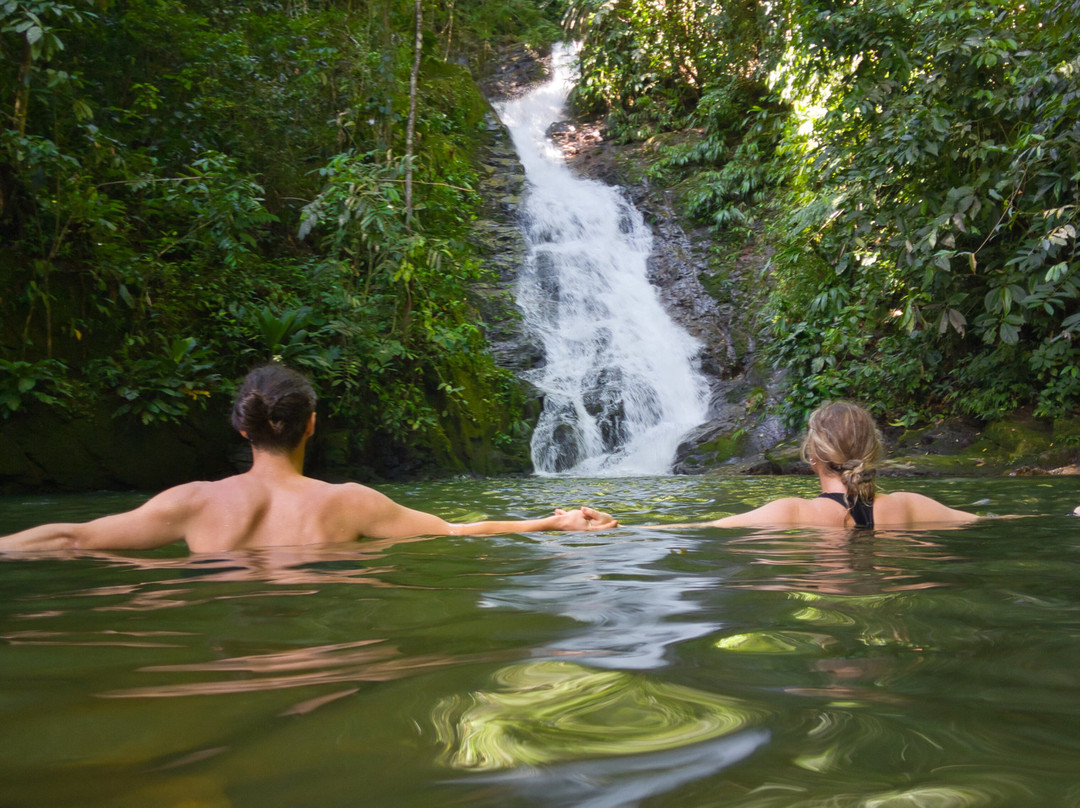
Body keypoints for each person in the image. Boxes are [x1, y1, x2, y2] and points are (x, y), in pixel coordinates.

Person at [0, 363, 617, 554]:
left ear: (242, 428)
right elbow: (457, 532)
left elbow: (72, 538)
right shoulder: (349, 503)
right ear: (312, 426)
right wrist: (552, 522)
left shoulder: (193, 503)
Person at [655, 401, 982, 530]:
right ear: (873, 452)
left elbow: (698, 529)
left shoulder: (791, 513)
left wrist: (628, 530)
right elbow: (992, 521)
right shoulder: (910, 506)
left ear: (813, 455)